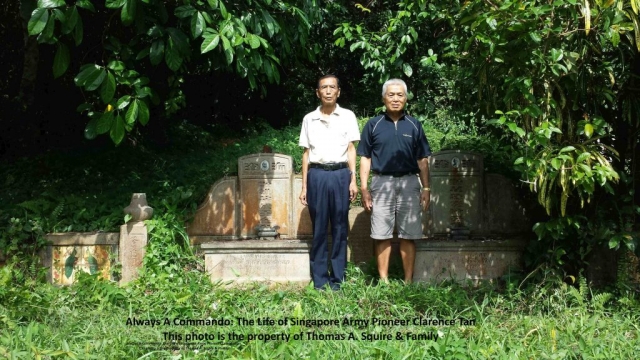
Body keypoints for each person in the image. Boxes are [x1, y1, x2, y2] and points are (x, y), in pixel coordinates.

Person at [357, 78, 431, 283]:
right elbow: (365, 158)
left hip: (410, 182)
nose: (396, 99)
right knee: (381, 233)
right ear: (383, 98)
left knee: (409, 233)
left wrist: (426, 187)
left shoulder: (415, 125)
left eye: (400, 95)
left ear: (406, 98)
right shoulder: (373, 125)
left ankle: (408, 280)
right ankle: (384, 280)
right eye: (391, 95)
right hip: (382, 183)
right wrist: (364, 188)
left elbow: (422, 159)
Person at [299, 74, 360, 290]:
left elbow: (351, 149)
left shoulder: (348, 116)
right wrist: (305, 185)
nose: (327, 91)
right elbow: (306, 154)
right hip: (317, 175)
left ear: (338, 91)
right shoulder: (309, 119)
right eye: (323, 87)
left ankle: (337, 279)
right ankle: (320, 280)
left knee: (340, 227)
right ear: (317, 92)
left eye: (332, 87)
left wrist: (353, 179)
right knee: (319, 229)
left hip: (340, 174)